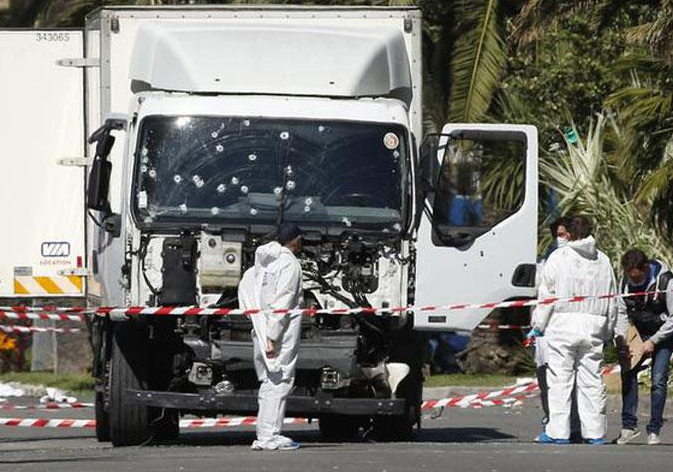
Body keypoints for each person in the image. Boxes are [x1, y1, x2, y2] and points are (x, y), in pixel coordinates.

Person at [531, 215, 618, 445]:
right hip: (594, 325)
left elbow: (547, 296)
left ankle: (558, 432)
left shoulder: (558, 257)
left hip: (563, 325)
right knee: (592, 381)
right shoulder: (603, 260)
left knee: (560, 380)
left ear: (569, 233)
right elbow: (611, 299)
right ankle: (595, 432)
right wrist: (608, 331)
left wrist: (538, 325)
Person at [238, 223, 303, 451]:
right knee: (280, 379)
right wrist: (273, 336)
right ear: (296, 240)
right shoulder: (290, 265)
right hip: (280, 332)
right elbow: (284, 301)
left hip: (261, 326)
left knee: (268, 381)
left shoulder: (263, 264)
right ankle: (270, 436)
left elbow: (246, 291)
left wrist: (262, 328)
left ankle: (265, 433)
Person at [614, 249, 673, 445]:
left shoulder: (666, 281)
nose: (634, 282)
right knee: (628, 373)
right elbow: (621, 313)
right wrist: (621, 339)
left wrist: (653, 341)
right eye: (631, 278)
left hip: (664, 334)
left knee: (658, 380)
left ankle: (654, 429)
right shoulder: (624, 282)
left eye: (638, 278)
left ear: (646, 268)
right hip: (638, 333)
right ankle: (628, 426)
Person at [529, 216, 580, 442]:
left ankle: (574, 426)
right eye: (558, 235)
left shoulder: (582, 261)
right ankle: (552, 420)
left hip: (566, 325)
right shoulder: (546, 261)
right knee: (546, 379)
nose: (561, 238)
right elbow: (541, 293)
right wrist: (537, 326)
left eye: (564, 234)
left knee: (569, 380)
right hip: (544, 330)